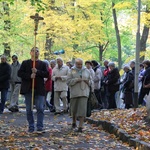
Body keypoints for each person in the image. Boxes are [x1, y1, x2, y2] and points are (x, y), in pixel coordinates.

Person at [18, 47, 49, 133]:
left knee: (40, 108)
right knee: (29, 109)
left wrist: (37, 71)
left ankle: (39, 126)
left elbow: (47, 74)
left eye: (37, 51)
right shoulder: (25, 63)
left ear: (39, 53)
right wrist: (29, 76)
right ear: (30, 52)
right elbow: (20, 73)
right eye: (33, 51)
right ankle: (31, 126)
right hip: (28, 89)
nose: (35, 52)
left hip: (39, 89)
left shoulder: (42, 64)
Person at [67, 58, 92, 132]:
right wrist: (75, 80)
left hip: (84, 92)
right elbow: (68, 81)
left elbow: (91, 81)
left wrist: (88, 82)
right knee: (74, 109)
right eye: (78, 64)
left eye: (81, 64)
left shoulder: (87, 71)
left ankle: (80, 126)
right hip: (74, 93)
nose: (80, 66)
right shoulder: (71, 70)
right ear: (75, 64)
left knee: (82, 110)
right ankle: (74, 122)